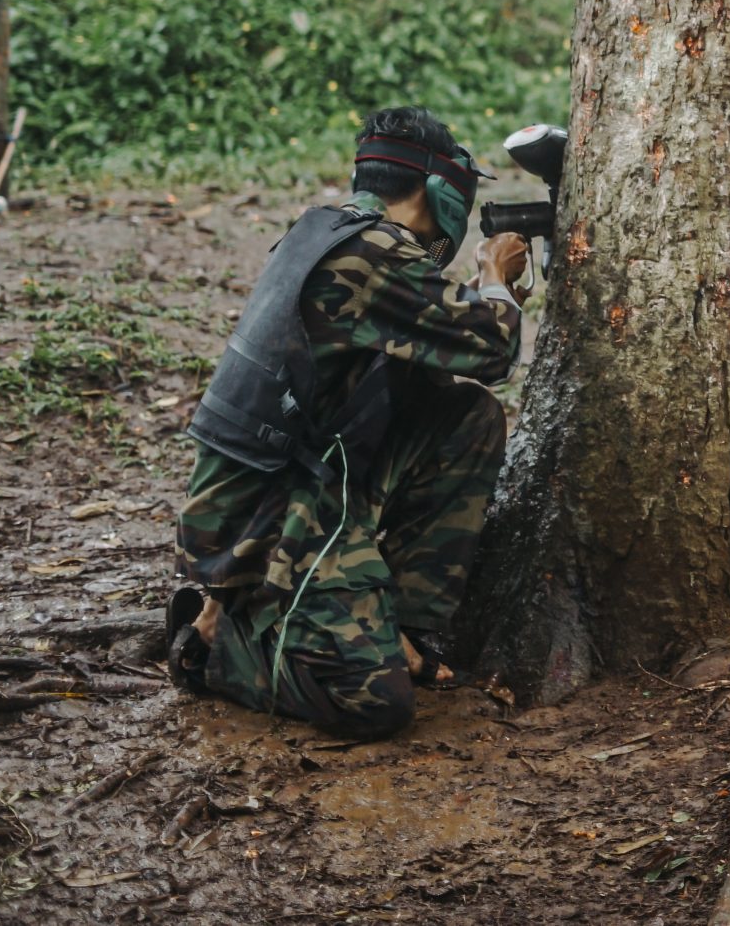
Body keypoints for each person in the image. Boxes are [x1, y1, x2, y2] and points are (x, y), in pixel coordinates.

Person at [169, 107, 529, 740]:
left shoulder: (324, 230)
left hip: (286, 483)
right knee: (374, 703)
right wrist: (493, 276)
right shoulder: (374, 252)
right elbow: (494, 349)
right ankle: (216, 647)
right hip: (270, 515)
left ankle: (397, 622)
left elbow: (430, 356)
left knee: (465, 417)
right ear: (440, 189)